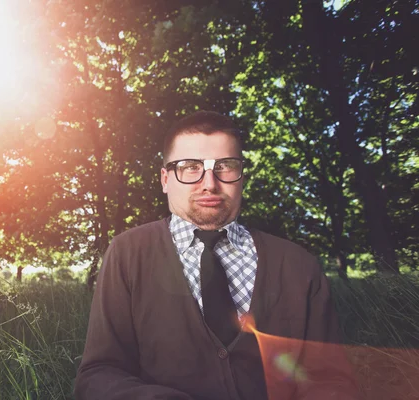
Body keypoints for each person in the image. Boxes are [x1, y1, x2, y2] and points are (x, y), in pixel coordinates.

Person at [74, 111, 359, 400]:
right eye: (189, 167)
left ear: (242, 177)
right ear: (164, 179)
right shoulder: (127, 254)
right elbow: (99, 374)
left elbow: (330, 380)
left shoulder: (300, 266)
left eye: (224, 166)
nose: (209, 183)